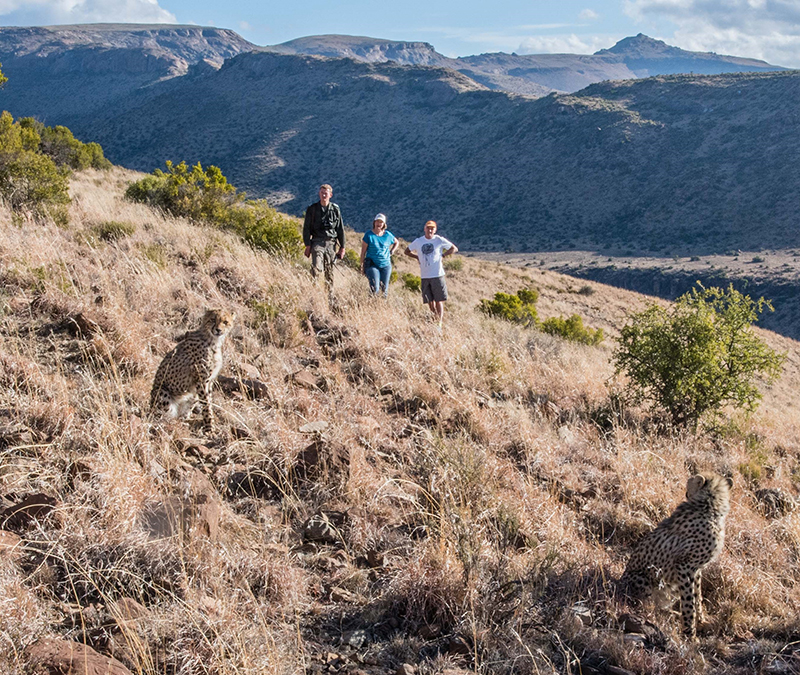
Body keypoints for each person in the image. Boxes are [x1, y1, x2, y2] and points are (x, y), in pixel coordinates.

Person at [405, 220, 458, 327]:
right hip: (425, 276)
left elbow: (454, 248)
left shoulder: (439, 240)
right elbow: (407, 251)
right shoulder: (418, 241)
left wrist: (443, 255)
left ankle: (439, 323)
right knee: (429, 301)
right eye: (428, 228)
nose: (430, 230)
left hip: (437, 274)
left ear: (435, 230)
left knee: (439, 300)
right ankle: (434, 319)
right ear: (424, 229)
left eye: (432, 228)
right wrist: (417, 257)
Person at [303, 184, 345, 293]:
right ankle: (314, 293)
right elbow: (306, 228)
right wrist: (307, 245)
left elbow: (340, 228)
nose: (324, 195)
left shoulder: (335, 209)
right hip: (317, 242)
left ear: (330, 195)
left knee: (329, 272)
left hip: (331, 243)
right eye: (322, 193)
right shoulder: (312, 209)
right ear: (319, 194)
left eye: (326, 193)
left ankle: (329, 296)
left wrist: (342, 247)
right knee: (316, 268)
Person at [360, 213, 398, 297]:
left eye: (381, 222)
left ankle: (382, 304)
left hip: (386, 265)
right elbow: (363, 252)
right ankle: (372, 303)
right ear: (374, 222)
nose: (379, 224)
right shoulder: (368, 235)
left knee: (384, 290)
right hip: (372, 264)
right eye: (377, 221)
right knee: (375, 288)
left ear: (384, 224)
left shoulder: (388, 235)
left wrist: (392, 251)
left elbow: (396, 242)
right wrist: (362, 266)